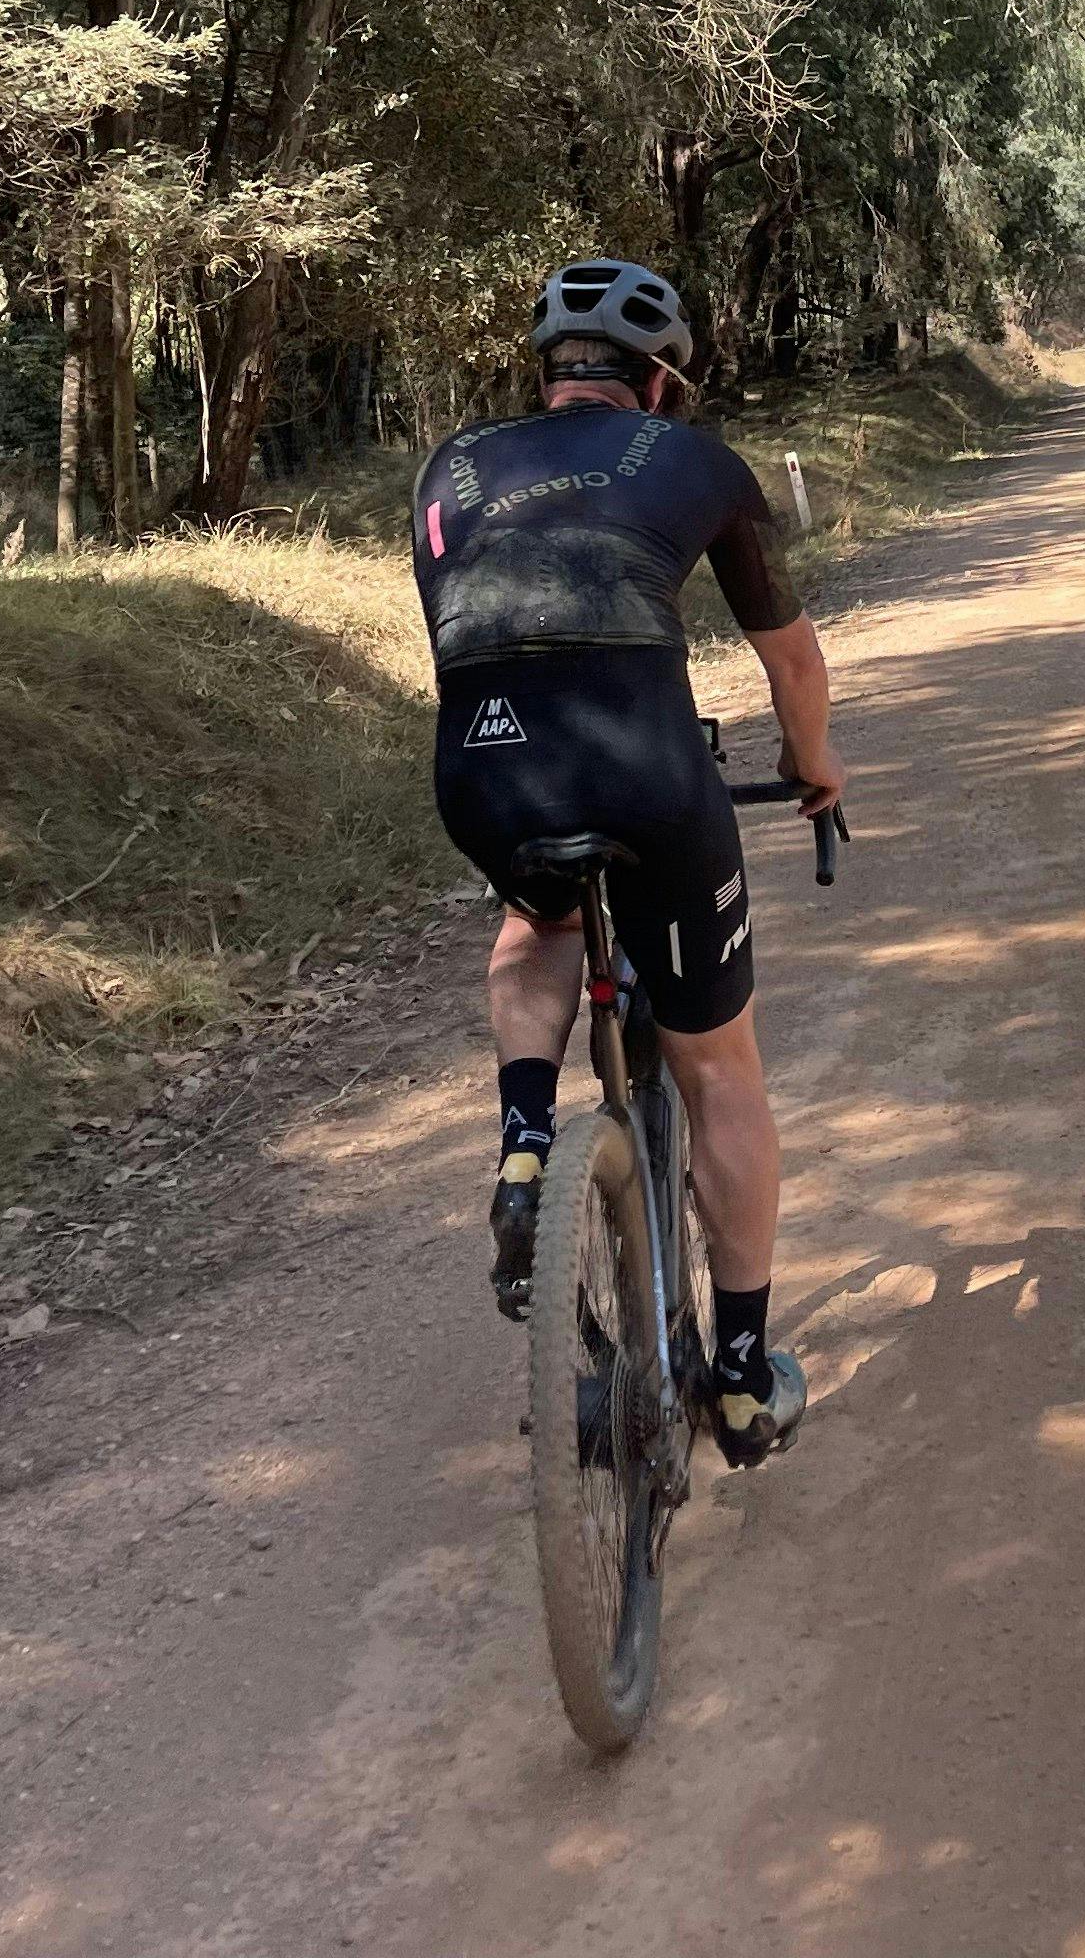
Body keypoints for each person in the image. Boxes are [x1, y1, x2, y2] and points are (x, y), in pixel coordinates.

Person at [410, 256, 843, 1465]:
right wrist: (819, 770)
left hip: (487, 772)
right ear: (659, 383)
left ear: (549, 376)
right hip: (648, 773)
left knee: (535, 926)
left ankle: (526, 1140)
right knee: (720, 1073)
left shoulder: (447, 468)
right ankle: (747, 1382)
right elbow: (793, 666)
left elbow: (489, 638)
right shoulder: (693, 459)